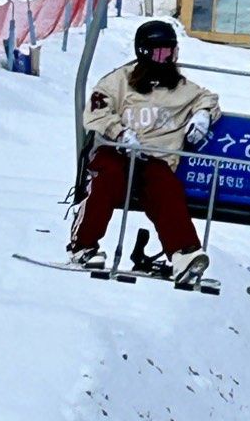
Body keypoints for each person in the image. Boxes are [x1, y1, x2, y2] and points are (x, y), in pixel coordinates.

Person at [69, 19, 219, 281]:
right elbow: (96, 112)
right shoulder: (120, 81)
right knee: (107, 177)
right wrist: (120, 133)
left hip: (154, 159)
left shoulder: (182, 89)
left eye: (171, 52)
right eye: (161, 53)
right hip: (117, 151)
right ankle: (83, 245)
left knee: (165, 187)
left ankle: (184, 253)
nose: (167, 60)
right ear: (144, 53)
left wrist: (203, 115)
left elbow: (208, 98)